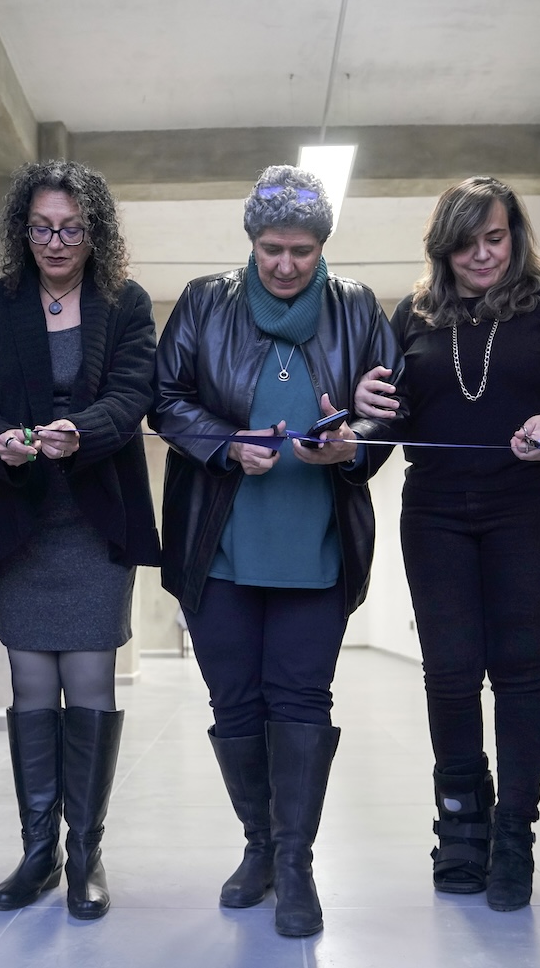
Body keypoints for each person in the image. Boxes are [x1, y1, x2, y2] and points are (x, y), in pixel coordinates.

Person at [152, 165, 403, 938]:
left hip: (317, 543)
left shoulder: (357, 308)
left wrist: (355, 443)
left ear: (323, 245)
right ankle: (258, 845)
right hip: (219, 541)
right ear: (251, 242)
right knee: (234, 702)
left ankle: (296, 861)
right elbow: (165, 399)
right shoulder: (204, 301)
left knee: (300, 700)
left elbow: (390, 411)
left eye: (301, 250)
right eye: (272, 249)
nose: (286, 264)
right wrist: (227, 443)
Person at [373, 176, 540, 913]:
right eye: (466, 242)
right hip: (436, 509)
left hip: (527, 506)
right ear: (443, 247)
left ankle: (513, 834)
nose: (483, 254)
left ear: (516, 236)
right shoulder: (411, 314)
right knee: (449, 672)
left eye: (496, 237)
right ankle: (461, 824)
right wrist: (355, 425)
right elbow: (389, 413)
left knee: (518, 669)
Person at [0, 160, 159, 920]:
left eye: (71, 228)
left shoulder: (124, 301)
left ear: (94, 231)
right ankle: (39, 851)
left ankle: (86, 853)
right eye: (41, 228)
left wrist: (85, 430)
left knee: (91, 680)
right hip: (24, 518)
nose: (56, 242)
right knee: (32, 684)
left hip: (97, 516)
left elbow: (134, 391)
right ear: (23, 230)